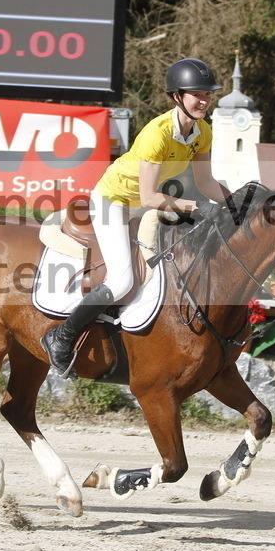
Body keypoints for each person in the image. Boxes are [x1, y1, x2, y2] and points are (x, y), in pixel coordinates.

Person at [41, 58, 232, 377]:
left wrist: (240, 203)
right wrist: (196, 208)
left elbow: (206, 183)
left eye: (207, 94)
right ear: (177, 97)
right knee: (122, 281)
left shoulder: (203, 132)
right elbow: (150, 197)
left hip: (144, 205)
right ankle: (60, 338)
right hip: (114, 201)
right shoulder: (156, 133)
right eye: (197, 94)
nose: (204, 101)